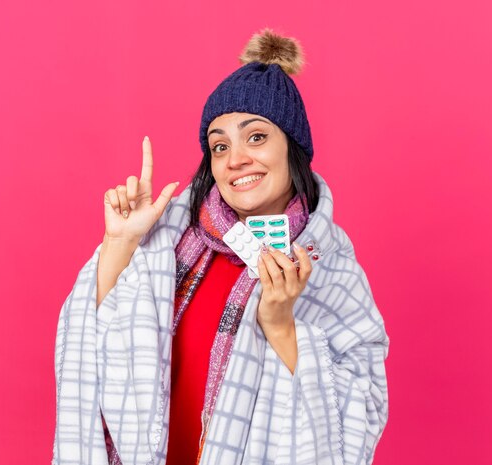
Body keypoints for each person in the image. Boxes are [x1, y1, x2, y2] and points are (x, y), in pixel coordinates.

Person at [53, 28, 390, 465]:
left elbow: (357, 419)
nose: (235, 160)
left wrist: (281, 326)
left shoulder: (330, 264)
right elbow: (89, 344)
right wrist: (120, 241)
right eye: (219, 145)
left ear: (293, 148)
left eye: (256, 137)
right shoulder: (173, 236)